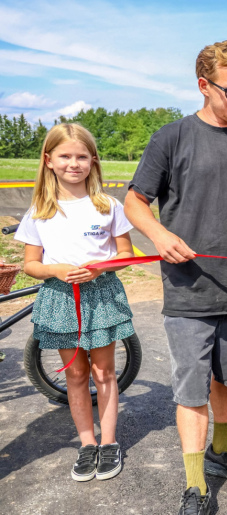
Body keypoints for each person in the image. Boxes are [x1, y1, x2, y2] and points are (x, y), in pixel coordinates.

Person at [124, 40, 227, 515]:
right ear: (204, 85)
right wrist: (157, 234)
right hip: (187, 291)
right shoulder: (171, 138)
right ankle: (195, 484)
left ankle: (221, 452)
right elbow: (135, 201)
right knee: (191, 389)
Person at [16, 123, 135, 483]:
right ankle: (87, 444)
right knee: (76, 373)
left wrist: (99, 270)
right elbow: (30, 264)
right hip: (60, 297)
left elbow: (126, 253)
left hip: (101, 297)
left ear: (93, 161)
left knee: (104, 372)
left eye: (82, 156)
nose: (74, 163)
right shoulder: (39, 209)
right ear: (49, 160)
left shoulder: (108, 206)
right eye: (65, 156)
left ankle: (109, 442)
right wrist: (55, 269)